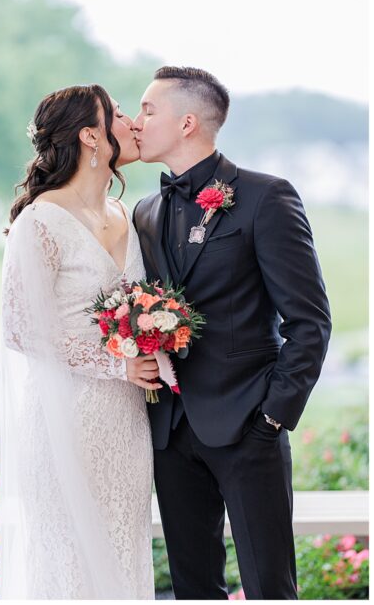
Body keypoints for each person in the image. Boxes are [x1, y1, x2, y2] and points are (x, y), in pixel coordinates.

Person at [128, 66, 331, 599]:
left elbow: (309, 322)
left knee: (270, 587)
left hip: (249, 426)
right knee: (194, 588)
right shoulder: (145, 213)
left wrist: (272, 416)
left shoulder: (266, 197)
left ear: (188, 121)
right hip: (171, 430)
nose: (136, 121)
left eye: (149, 110)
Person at [0, 85, 156, 598]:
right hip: (66, 416)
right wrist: (118, 365)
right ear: (91, 135)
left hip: (128, 421)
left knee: (123, 550)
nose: (131, 122)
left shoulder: (127, 216)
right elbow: (20, 329)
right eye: (117, 114)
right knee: (69, 560)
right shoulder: (40, 221)